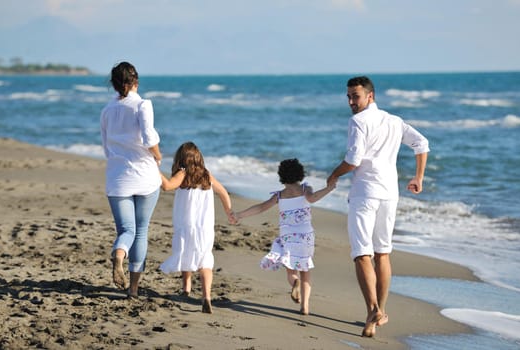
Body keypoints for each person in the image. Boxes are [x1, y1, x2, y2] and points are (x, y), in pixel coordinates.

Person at [327, 76, 429, 337]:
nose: (351, 101)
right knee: (382, 253)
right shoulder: (394, 121)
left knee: (362, 254)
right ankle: (378, 313)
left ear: (369, 96)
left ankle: (372, 309)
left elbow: (353, 160)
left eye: (356, 96)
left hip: (365, 195)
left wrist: (334, 175)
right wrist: (418, 177)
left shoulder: (358, 122)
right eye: (348, 96)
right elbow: (421, 143)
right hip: (389, 194)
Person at [235, 158, 335, 315]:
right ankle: (305, 307)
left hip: (288, 237)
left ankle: (295, 283)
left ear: (281, 176)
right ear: (300, 174)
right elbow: (313, 198)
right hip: (305, 236)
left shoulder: (280, 195)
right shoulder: (304, 188)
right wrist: (329, 188)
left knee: (291, 271)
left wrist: (239, 215)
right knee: (306, 270)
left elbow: (261, 207)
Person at [100, 61, 163, 298]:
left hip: (117, 179)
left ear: (115, 85)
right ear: (136, 81)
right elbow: (149, 139)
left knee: (126, 230)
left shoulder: (106, 110)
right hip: (145, 177)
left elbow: (107, 148)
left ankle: (118, 255)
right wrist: (158, 156)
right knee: (141, 230)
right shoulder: (143, 105)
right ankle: (134, 289)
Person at [159, 142, 235, 314]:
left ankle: (186, 287)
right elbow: (223, 192)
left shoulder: (182, 174)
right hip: (205, 228)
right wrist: (229, 211)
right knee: (204, 260)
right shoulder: (207, 175)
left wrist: (154, 169)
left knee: (186, 252)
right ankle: (206, 296)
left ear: (181, 159)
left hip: (186, 225)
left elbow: (167, 186)